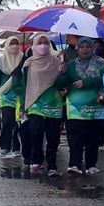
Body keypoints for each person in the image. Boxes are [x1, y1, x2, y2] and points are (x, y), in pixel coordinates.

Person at [57, 37, 104, 174]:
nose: (85, 49)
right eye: (82, 47)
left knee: (94, 137)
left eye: (88, 47)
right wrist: (62, 73)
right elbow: (61, 84)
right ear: (78, 49)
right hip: (76, 109)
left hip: (96, 107)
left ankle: (91, 164)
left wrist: (86, 82)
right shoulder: (70, 65)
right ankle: (74, 164)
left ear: (93, 48)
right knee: (75, 137)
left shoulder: (101, 63)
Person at [19, 34, 65, 177]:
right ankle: (36, 161)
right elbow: (23, 85)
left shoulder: (57, 62)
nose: (43, 45)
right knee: (35, 134)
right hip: (34, 104)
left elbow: (61, 84)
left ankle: (52, 166)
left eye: (46, 42)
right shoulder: (28, 64)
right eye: (40, 42)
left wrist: (62, 72)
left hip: (53, 104)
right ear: (34, 45)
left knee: (53, 137)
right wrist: (22, 106)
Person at [0, 33, 25, 158]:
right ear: (6, 45)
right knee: (7, 121)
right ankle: (5, 147)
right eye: (12, 44)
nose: (15, 46)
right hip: (5, 96)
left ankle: (16, 148)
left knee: (17, 123)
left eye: (17, 43)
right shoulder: (0, 62)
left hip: (20, 95)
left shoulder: (23, 60)